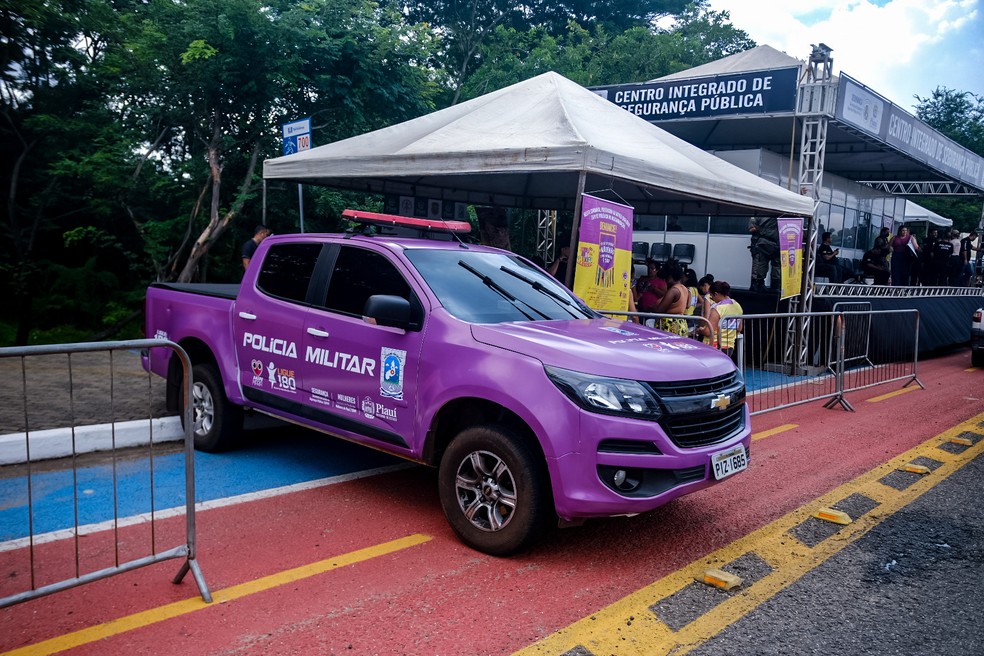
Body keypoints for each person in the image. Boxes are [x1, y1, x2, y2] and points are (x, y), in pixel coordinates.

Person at [700, 280, 743, 362]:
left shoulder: (717, 308)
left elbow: (708, 332)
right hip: (729, 346)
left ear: (716, 294)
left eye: (712, 297)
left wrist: (700, 330)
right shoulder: (737, 306)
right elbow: (739, 328)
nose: (712, 299)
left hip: (714, 345)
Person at [653, 260, 691, 336]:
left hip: (670, 325)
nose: (665, 281)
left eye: (665, 278)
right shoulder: (685, 289)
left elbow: (659, 310)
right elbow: (687, 306)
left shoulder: (673, 291)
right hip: (681, 323)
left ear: (670, 277)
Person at [748, 216, 780, 292]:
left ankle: (762, 285)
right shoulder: (782, 213)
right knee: (766, 265)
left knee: (762, 265)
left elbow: (752, 228)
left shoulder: (759, 215)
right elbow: (751, 228)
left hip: (768, 243)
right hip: (768, 243)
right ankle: (771, 286)